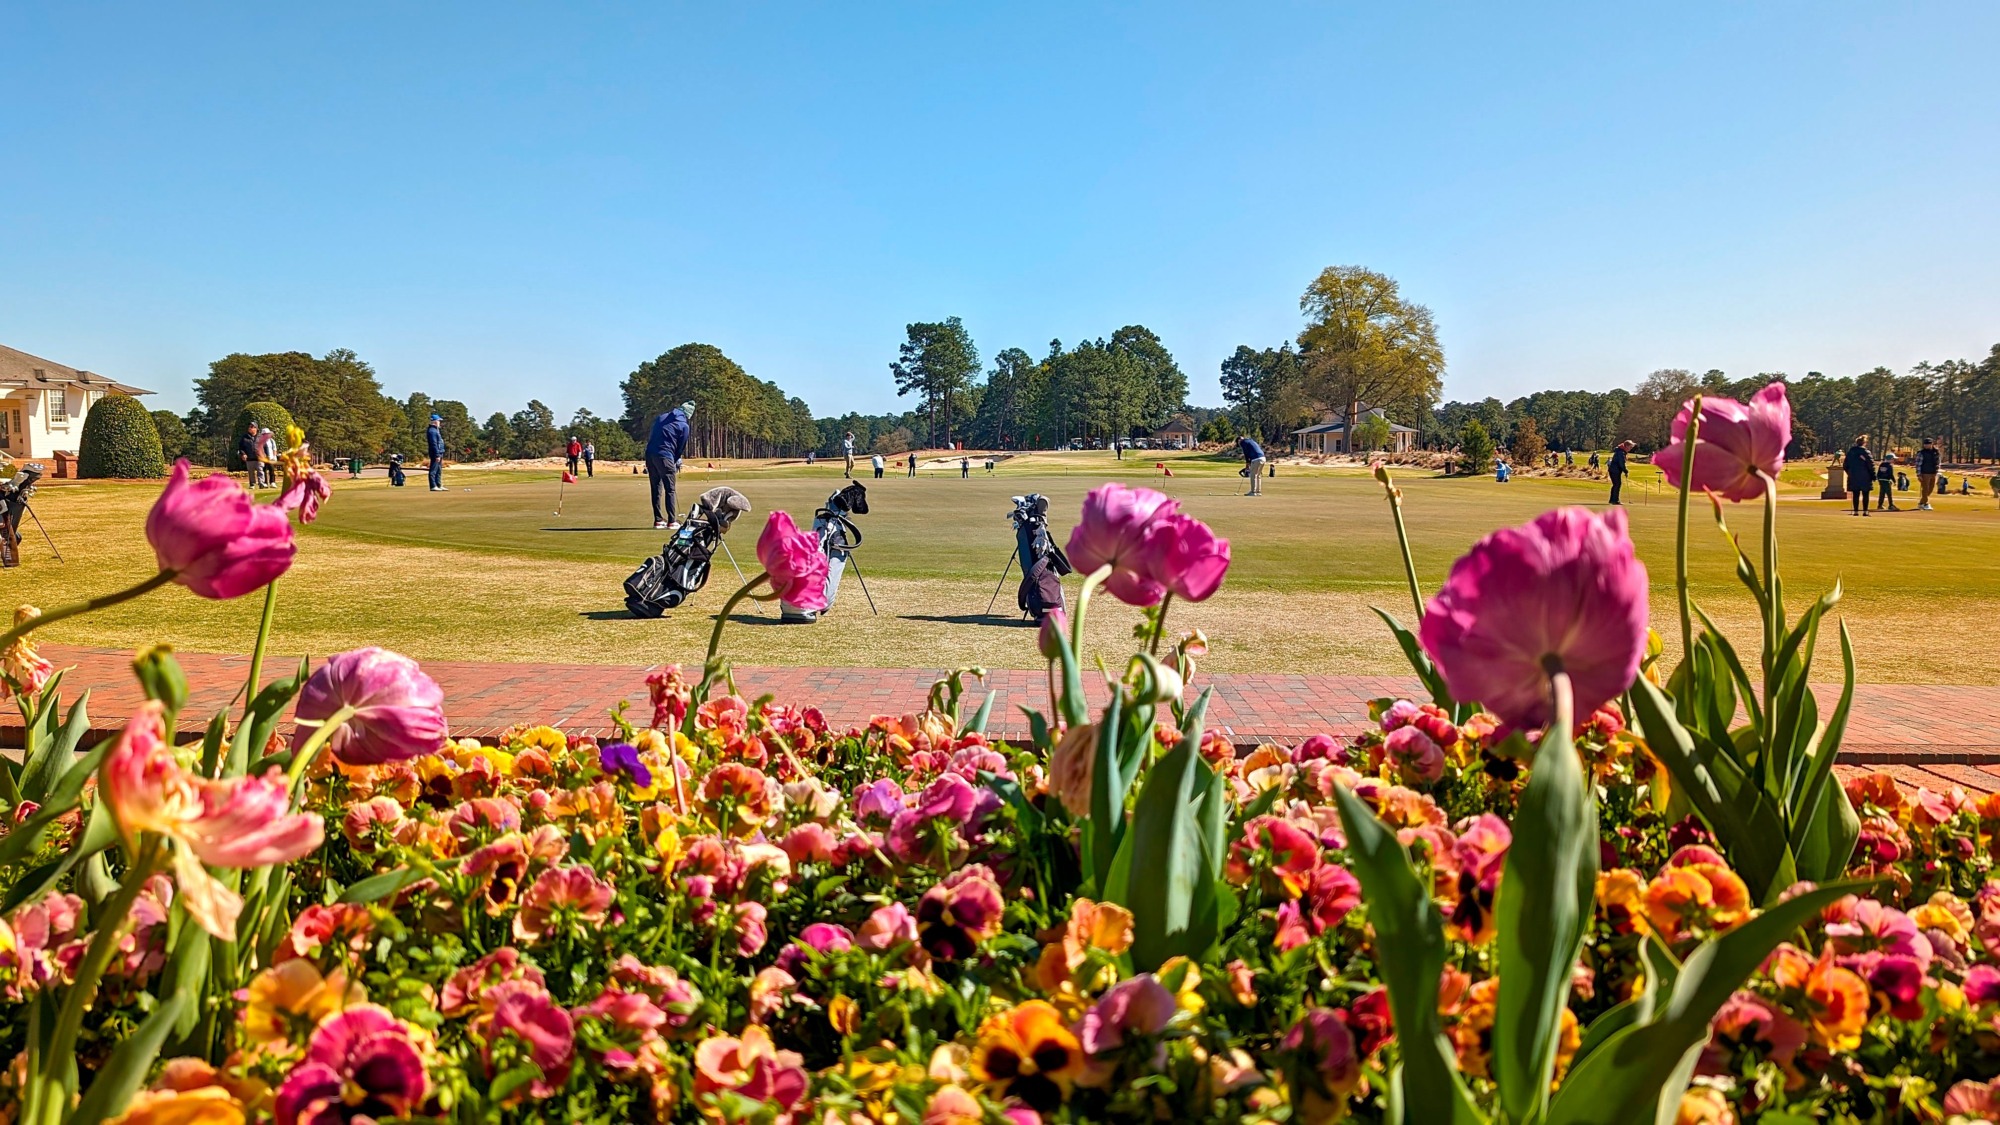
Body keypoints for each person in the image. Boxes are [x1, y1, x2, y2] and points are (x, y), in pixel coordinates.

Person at [645, 401, 693, 529]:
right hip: (665, 456)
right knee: (670, 489)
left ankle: (658, 520)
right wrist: (675, 460)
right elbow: (680, 447)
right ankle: (672, 521)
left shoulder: (661, 417)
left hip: (650, 454)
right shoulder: (684, 426)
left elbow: (652, 436)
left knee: (656, 488)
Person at [1843, 435, 1874, 516]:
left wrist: (1850, 473)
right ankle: (1865, 511)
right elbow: (1871, 465)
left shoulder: (1851, 452)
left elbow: (1845, 465)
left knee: (1855, 494)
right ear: (1864, 443)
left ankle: (1856, 511)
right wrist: (1873, 475)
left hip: (1853, 476)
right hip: (1865, 476)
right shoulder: (1866, 452)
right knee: (1865, 494)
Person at [1607, 439, 1634, 505]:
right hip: (1614, 470)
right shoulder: (1621, 452)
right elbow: (1621, 463)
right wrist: (1625, 471)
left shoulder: (1621, 451)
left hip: (1614, 470)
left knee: (1616, 484)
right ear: (1626, 446)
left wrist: (1624, 470)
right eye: (1630, 447)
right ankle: (1615, 500)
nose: (1630, 449)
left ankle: (1612, 500)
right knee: (1617, 484)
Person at [1918, 437, 1941, 510]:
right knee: (1925, 489)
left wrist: (1937, 471)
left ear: (1931, 444)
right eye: (1925, 444)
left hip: (1933, 472)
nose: (1926, 445)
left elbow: (1938, 462)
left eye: (1928, 444)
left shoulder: (1936, 452)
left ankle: (1921, 503)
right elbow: (1918, 464)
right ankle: (1926, 503)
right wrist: (1919, 474)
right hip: (1924, 473)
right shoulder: (1921, 453)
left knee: (1931, 489)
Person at [425, 414, 445, 491]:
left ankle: (438, 485)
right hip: (435, 453)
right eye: (438, 421)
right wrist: (437, 455)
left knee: (439, 470)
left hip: (440, 452)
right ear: (434, 421)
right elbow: (434, 444)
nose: (439, 422)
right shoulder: (432, 431)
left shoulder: (436, 430)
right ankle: (433, 486)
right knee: (433, 469)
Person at [238, 421, 261, 487]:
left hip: (259, 457)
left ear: (256, 428)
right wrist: (243, 454)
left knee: (260, 470)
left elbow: (264, 446)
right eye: (249, 427)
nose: (250, 428)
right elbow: (241, 447)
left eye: (252, 427)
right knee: (251, 472)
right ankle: (252, 484)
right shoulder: (244, 437)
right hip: (249, 458)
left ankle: (261, 483)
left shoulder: (260, 437)